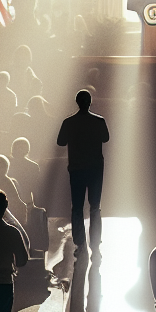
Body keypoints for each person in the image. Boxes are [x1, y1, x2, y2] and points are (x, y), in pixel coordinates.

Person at [57, 90, 109, 259]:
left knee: (77, 207)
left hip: (77, 168)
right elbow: (106, 138)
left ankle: (80, 244)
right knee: (95, 207)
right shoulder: (99, 121)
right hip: (95, 169)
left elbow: (60, 141)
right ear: (90, 102)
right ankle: (96, 245)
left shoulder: (69, 122)